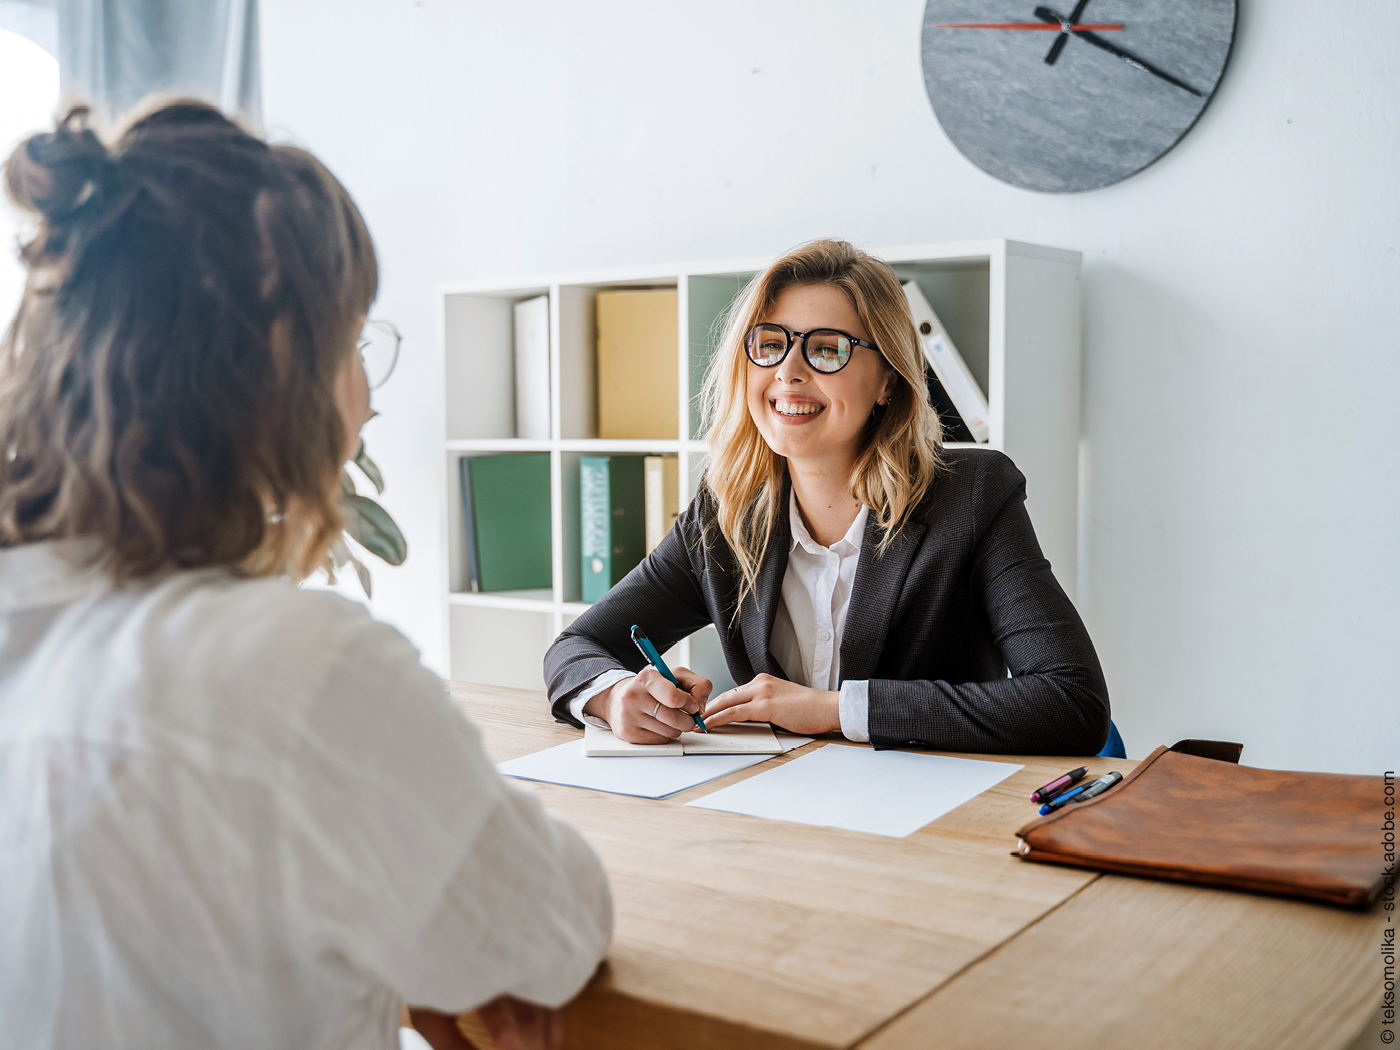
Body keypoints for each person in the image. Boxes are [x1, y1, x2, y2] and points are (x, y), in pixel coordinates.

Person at [0, 102, 610, 1050]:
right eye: (353, 342)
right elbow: (545, 928)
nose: (364, 399)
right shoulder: (299, 668)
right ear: (280, 360)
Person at [545, 239, 1110, 754]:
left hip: (931, 820)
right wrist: (615, 695)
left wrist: (833, 711)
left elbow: (1070, 702)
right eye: (769, 345)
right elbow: (578, 646)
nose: (788, 373)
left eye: (828, 349)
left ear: (888, 379)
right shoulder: (724, 516)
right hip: (784, 810)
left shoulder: (973, 497)